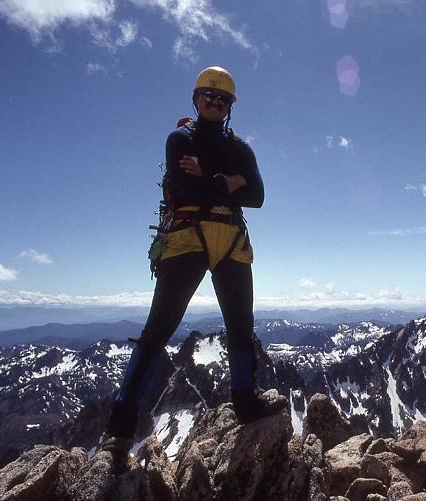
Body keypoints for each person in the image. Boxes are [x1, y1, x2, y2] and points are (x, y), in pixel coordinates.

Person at [101, 66, 287, 456]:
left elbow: (258, 197)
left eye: (222, 99)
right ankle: (120, 425)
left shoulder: (240, 147)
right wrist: (230, 182)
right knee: (160, 327)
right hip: (190, 237)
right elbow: (189, 188)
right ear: (196, 99)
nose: (215, 103)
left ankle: (244, 402)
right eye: (209, 96)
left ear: (230, 105)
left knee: (241, 324)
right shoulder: (179, 139)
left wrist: (211, 179)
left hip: (229, 238)